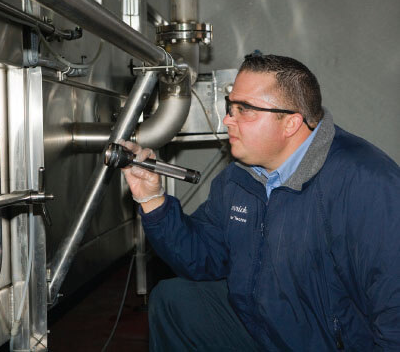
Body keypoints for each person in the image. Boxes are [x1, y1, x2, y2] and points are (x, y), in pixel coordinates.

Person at [121, 53, 400, 351]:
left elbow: (393, 307)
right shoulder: (240, 177)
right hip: (263, 325)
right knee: (175, 301)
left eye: (245, 110)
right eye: (231, 107)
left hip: (323, 342)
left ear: (290, 123)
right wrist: (152, 199)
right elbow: (202, 257)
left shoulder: (367, 182)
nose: (228, 119)